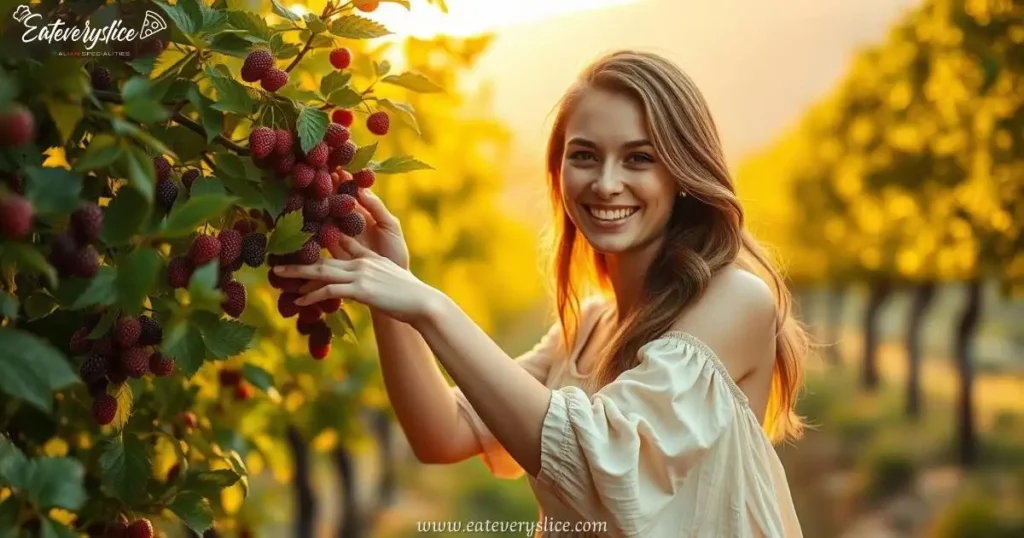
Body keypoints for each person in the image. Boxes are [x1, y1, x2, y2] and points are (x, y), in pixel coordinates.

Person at [274, 50, 807, 538]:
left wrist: (430, 305)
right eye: (584, 156)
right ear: (558, 171)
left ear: (683, 173)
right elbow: (442, 434)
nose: (605, 182)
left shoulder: (737, 299)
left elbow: (601, 471)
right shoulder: (590, 327)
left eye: (640, 158)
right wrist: (390, 290)